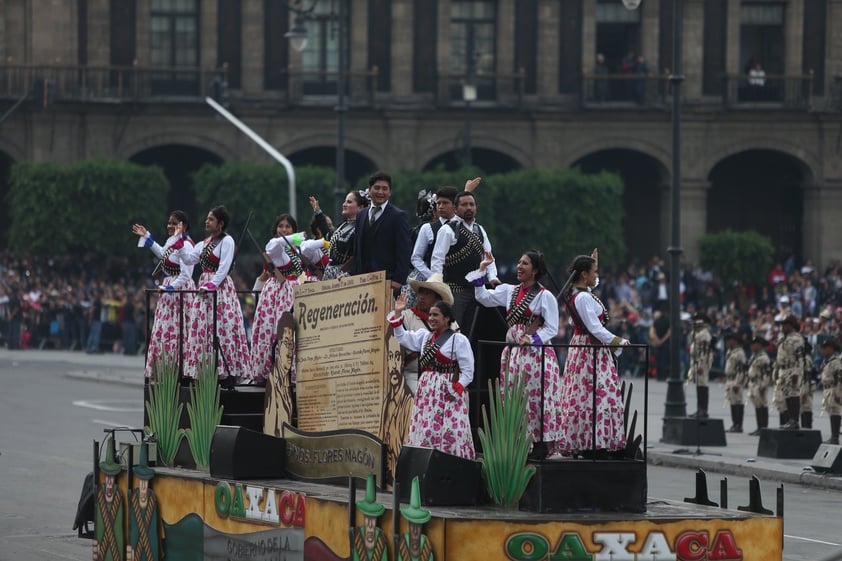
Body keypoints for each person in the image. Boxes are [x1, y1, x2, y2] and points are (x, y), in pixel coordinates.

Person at [469, 250, 564, 458]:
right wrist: (482, 270)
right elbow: (484, 298)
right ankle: (521, 443)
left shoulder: (544, 295)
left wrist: (532, 339)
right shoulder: (509, 291)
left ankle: (541, 443)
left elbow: (552, 328)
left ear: (536, 270)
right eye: (519, 262)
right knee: (515, 398)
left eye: (526, 264)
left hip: (536, 356)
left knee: (537, 399)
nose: (520, 266)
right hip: (513, 355)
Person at [557, 251, 629, 456]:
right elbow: (595, 328)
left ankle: (588, 441)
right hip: (590, 350)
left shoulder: (579, 294)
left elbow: (591, 287)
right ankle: (591, 444)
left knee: (587, 396)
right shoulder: (583, 298)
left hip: (586, 349)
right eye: (594, 272)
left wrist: (592, 262)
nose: (597, 275)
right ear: (583, 275)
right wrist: (620, 342)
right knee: (594, 396)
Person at [388, 293, 475, 460]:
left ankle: (452, 464)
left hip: (447, 392)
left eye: (436, 315)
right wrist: (398, 313)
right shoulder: (424, 337)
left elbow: (468, 371)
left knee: (450, 430)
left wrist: (457, 388)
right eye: (430, 315)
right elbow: (402, 337)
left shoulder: (458, 340)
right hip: (427, 392)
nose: (431, 318)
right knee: (426, 427)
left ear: (447, 318)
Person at [173, 205, 249, 381]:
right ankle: (205, 368)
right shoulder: (204, 243)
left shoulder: (227, 241)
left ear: (220, 223)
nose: (207, 221)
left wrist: (211, 285)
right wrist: (180, 241)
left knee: (222, 327)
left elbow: (223, 267)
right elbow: (189, 259)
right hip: (205, 287)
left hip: (219, 288)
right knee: (203, 328)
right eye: (207, 218)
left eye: (211, 219)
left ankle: (225, 371)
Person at [132, 211, 195, 377]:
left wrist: (170, 288)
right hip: (169, 289)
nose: (169, 226)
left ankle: (179, 370)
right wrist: (147, 235)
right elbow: (163, 254)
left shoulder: (186, 244)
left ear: (183, 226)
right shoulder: (171, 241)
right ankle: (165, 368)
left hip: (179, 290)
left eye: (174, 223)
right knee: (164, 331)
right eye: (169, 223)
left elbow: (186, 274)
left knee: (178, 331)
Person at [431, 189, 499, 338]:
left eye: (472, 204)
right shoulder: (447, 230)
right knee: (451, 331)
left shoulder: (479, 230)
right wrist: (439, 287)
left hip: (476, 291)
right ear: (456, 208)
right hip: (454, 291)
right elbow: (437, 260)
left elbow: (488, 257)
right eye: (464, 204)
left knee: (470, 333)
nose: (469, 207)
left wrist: (493, 278)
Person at [248, 213, 305, 381]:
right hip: (277, 292)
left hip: (295, 290)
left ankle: (292, 370)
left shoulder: (298, 249)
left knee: (294, 331)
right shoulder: (276, 247)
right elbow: (271, 248)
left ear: (293, 229)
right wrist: (254, 292)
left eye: (288, 227)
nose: (284, 230)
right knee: (274, 329)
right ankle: (272, 369)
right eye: (281, 226)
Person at [353, 171, 411, 295]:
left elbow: (404, 250)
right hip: (362, 282)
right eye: (377, 188)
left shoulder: (398, 216)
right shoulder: (361, 215)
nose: (380, 192)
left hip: (387, 282)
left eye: (385, 189)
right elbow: (357, 249)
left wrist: (398, 280)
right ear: (369, 190)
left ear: (390, 192)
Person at [402, 274, 458, 394]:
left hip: (445, 375)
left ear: (438, 300)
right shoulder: (406, 316)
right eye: (421, 292)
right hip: (414, 375)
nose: (421, 297)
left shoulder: (451, 323)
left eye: (427, 294)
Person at [322, 191, 368, 280]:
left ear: (360, 207)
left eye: (349, 202)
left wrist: (347, 272)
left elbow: (358, 255)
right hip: (330, 272)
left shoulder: (361, 228)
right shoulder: (342, 225)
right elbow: (329, 236)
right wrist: (318, 213)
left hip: (344, 275)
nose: (344, 204)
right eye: (345, 201)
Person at [127, 443, 161, 561]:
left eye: (145, 482)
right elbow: (131, 528)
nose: (143, 486)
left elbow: (153, 533)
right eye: (141, 482)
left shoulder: (151, 499)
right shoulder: (134, 498)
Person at [93, 436, 124, 561]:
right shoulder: (100, 494)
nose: (109, 482)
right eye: (107, 477)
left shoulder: (118, 495)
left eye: (112, 477)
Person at [772, 314, 804, 429]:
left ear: (791, 326)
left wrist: (796, 372)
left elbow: (800, 358)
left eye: (785, 325)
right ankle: (790, 420)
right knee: (785, 396)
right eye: (782, 325)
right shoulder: (782, 339)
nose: (783, 327)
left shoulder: (797, 339)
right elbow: (779, 356)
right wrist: (776, 370)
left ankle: (795, 420)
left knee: (793, 394)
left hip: (792, 369)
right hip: (783, 369)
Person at [353, 473, 389, 561]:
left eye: (372, 519)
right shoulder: (359, 538)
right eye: (367, 519)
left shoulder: (380, 539)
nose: (369, 524)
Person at [687, 312, 714, 418]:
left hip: (701, 363)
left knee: (702, 385)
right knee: (699, 385)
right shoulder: (697, 333)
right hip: (696, 362)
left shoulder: (704, 334)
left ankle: (703, 410)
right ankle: (699, 409)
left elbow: (704, 351)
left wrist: (701, 365)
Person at [746, 335, 772, 435]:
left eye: (754, 345)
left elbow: (766, 372)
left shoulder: (763, 358)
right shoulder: (754, 356)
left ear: (760, 345)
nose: (752, 347)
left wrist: (764, 385)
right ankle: (759, 427)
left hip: (760, 383)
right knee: (757, 405)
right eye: (752, 345)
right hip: (753, 382)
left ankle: (763, 428)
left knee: (762, 405)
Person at [724, 332, 748, 432]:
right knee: (732, 402)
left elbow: (741, 369)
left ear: (734, 341)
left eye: (729, 341)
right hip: (729, 378)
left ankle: (739, 425)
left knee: (737, 402)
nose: (727, 343)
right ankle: (734, 423)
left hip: (735, 379)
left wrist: (738, 383)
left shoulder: (739, 353)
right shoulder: (730, 351)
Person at [819, 338, 842, 444]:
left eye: (826, 348)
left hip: (834, 389)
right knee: (831, 411)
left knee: (835, 411)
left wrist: (838, 392)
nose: (823, 351)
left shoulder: (836, 362)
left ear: (832, 349)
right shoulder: (826, 362)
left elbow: (840, 378)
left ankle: (835, 437)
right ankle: (833, 436)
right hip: (827, 389)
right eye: (823, 348)